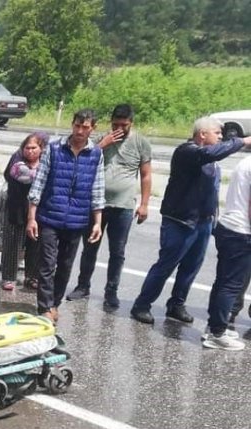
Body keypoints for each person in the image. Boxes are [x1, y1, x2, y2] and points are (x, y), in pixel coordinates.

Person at [130, 119, 251, 326]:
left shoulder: (211, 157)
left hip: (202, 223)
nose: (221, 137)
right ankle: (141, 305)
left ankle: (176, 305)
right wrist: (243, 141)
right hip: (180, 221)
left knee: (190, 268)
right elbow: (210, 154)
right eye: (217, 133)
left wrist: (213, 219)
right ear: (202, 134)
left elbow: (211, 190)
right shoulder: (187, 151)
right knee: (166, 266)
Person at [66, 104, 152, 310]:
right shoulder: (99, 140)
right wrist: (102, 144)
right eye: (115, 124)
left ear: (131, 122)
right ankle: (82, 286)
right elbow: (83, 159)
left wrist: (145, 204)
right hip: (96, 204)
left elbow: (146, 174)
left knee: (117, 251)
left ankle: (111, 292)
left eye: (124, 125)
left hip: (123, 206)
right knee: (89, 247)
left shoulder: (141, 143)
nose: (120, 128)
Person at [27, 109, 105, 323]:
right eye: (77, 126)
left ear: (93, 128)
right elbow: (39, 183)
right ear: (72, 124)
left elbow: (98, 190)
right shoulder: (54, 148)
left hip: (77, 220)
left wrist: (97, 222)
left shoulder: (96, 154)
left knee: (65, 265)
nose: (80, 131)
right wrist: (32, 217)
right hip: (50, 217)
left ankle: (54, 303)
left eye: (85, 127)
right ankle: (44, 307)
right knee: (47, 263)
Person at [202, 154, 251, 350]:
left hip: (229, 227)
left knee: (223, 281)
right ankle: (217, 333)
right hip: (242, 231)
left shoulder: (245, 162)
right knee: (231, 286)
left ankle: (213, 326)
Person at [0, 132, 48, 291]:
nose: (30, 151)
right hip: (16, 208)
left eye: (34, 148)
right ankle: (8, 277)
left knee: (35, 244)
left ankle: (32, 276)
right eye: (27, 148)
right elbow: (26, 175)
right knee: (12, 243)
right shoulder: (18, 161)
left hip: (36, 210)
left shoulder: (45, 162)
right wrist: (43, 170)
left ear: (41, 148)